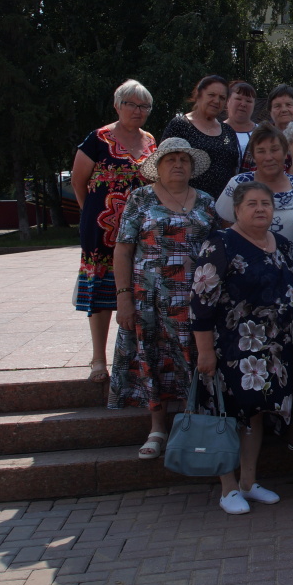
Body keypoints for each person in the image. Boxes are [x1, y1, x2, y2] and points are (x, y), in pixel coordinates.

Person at [191, 181, 293, 515]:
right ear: (237, 210)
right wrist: (205, 351)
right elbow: (201, 301)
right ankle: (227, 488)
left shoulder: (281, 244)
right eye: (252, 203)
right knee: (227, 415)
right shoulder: (221, 242)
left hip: (272, 349)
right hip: (231, 346)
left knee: (255, 414)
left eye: (265, 204)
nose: (260, 209)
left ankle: (248, 482)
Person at [109, 137, 217, 460]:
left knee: (191, 360)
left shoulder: (207, 203)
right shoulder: (140, 198)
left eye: (184, 159)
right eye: (171, 159)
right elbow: (123, 250)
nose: (178, 164)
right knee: (152, 357)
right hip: (149, 299)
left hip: (194, 302)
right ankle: (157, 427)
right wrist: (123, 297)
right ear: (158, 166)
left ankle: (188, 427)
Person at [73, 79, 157, 383]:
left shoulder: (150, 140)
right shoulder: (98, 138)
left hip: (140, 231)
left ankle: (135, 357)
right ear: (117, 105)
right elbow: (78, 181)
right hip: (102, 230)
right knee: (101, 292)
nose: (138, 110)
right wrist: (92, 213)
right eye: (131, 104)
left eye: (144, 106)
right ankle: (98, 359)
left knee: (136, 291)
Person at [216, 124, 293, 268]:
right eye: (261, 151)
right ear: (253, 156)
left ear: (285, 151)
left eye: (274, 150)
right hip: (248, 275)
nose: (269, 157)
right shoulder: (237, 185)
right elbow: (227, 234)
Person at [162, 75, 240, 201]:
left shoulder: (228, 131)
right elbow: (164, 166)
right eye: (211, 95)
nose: (216, 101)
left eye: (222, 98)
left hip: (223, 206)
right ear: (199, 94)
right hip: (188, 205)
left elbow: (234, 170)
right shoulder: (180, 125)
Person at [225, 81, 257, 164]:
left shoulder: (263, 132)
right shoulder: (216, 131)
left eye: (249, 101)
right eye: (238, 99)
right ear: (228, 101)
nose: (243, 104)